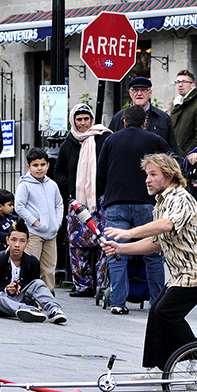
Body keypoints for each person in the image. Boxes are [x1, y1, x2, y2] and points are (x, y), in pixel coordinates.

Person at [102, 153, 197, 371]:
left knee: (167, 312)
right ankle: (157, 367)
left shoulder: (180, 198)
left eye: (152, 175)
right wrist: (121, 248)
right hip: (183, 272)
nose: (147, 180)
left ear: (168, 177)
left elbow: (166, 225)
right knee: (157, 310)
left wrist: (127, 233)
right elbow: (157, 242)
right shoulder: (161, 203)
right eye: (146, 175)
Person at [97, 105, 171, 313]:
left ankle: (118, 303)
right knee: (153, 253)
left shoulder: (111, 140)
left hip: (116, 202)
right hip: (146, 203)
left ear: (124, 122)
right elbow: (171, 163)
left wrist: (105, 194)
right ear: (145, 123)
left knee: (116, 252)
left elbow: (100, 172)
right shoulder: (154, 140)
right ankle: (157, 303)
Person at [55, 103, 110, 296]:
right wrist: (70, 186)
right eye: (79, 119)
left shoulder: (103, 138)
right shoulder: (68, 144)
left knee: (104, 242)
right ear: (73, 121)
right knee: (78, 244)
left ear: (92, 120)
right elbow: (58, 171)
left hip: (100, 199)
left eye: (86, 119)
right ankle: (83, 285)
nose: (83, 123)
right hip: (77, 202)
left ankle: (102, 284)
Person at [0, 219, 67, 324]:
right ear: (7, 240)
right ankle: (26, 310)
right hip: (2, 301)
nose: (17, 245)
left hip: (22, 298)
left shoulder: (32, 262)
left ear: (27, 243)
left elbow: (33, 288)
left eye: (22, 241)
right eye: (14, 240)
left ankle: (54, 310)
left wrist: (19, 287)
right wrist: (6, 289)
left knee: (38, 283)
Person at [15, 147, 63, 293]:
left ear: (48, 165)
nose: (39, 168)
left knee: (48, 268)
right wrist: (34, 222)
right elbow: (19, 206)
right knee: (32, 265)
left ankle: (47, 296)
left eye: (42, 165)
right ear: (28, 167)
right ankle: (29, 295)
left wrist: (57, 223)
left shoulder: (52, 185)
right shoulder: (25, 185)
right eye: (35, 165)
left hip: (51, 233)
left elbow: (59, 204)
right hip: (34, 233)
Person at [108, 76, 178, 153]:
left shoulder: (163, 118)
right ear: (130, 93)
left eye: (143, 90)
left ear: (150, 93)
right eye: (135, 90)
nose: (139, 94)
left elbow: (172, 149)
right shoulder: (118, 118)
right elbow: (109, 147)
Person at [170, 70, 197, 159]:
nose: (180, 85)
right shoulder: (176, 106)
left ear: (192, 85)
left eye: (184, 82)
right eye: (178, 82)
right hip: (172, 158)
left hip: (188, 160)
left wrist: (186, 154)